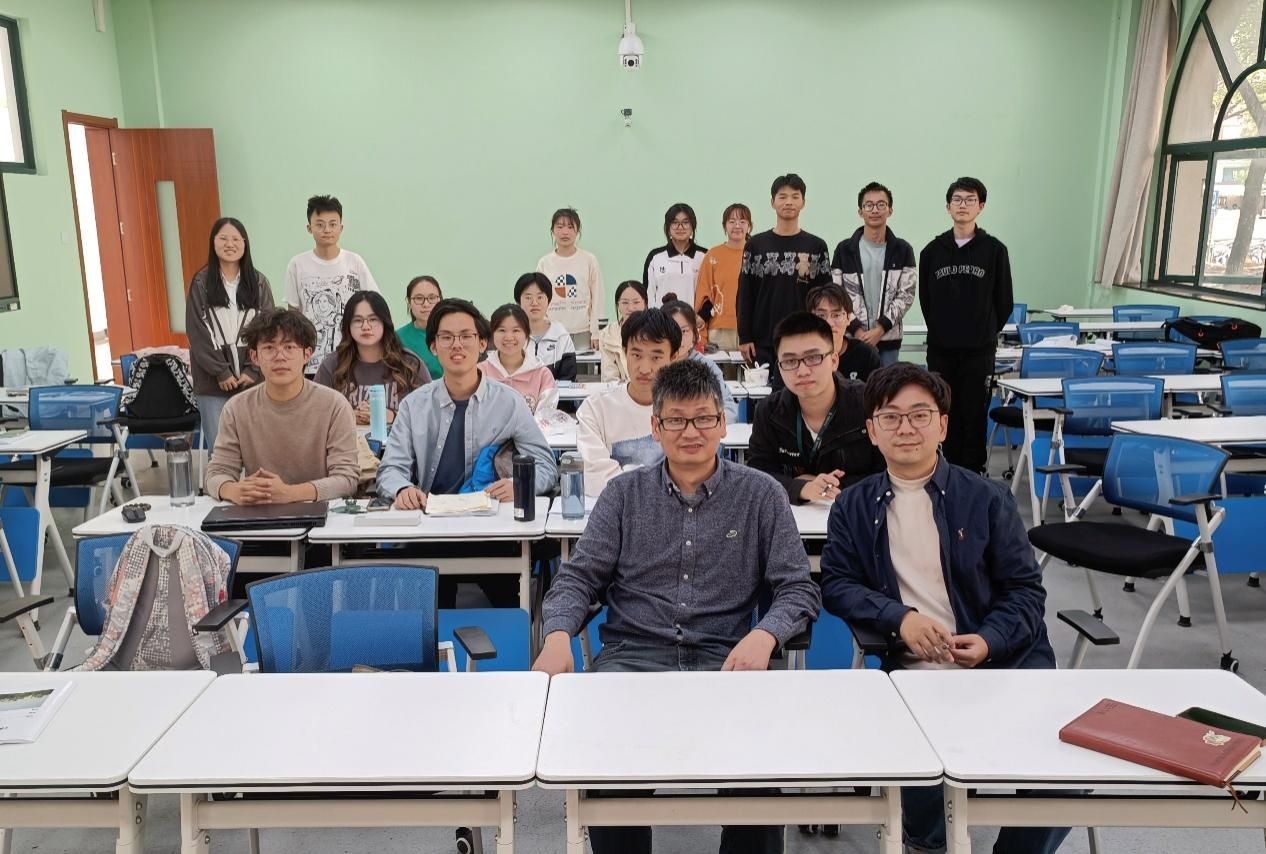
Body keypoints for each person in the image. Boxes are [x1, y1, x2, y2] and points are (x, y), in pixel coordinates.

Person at [532, 357, 821, 854]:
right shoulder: (624, 495)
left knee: (759, 776)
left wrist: (765, 634)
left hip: (726, 659)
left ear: (723, 423)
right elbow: (578, 578)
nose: (691, 432)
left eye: (704, 418)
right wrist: (557, 634)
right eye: (677, 420)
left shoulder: (760, 495)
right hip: (633, 659)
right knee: (608, 770)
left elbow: (798, 587)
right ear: (656, 427)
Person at [820, 362, 1066, 854]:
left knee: (1063, 781)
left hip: (1005, 664)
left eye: (920, 415)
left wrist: (990, 640)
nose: (905, 428)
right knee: (923, 793)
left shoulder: (988, 499)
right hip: (915, 672)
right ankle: (926, 842)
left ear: (943, 425)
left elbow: (1025, 592)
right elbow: (838, 584)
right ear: (871, 430)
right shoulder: (854, 506)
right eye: (890, 417)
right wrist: (901, 619)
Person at [378, 298, 557, 509]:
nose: (457, 345)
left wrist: (520, 484)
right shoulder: (413, 406)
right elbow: (391, 468)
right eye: (446, 337)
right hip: (430, 517)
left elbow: (546, 466)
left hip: (490, 518)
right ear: (433, 346)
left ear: (482, 343)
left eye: (466, 336)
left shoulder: (509, 403)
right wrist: (402, 489)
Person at [206, 308, 359, 505]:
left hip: (319, 512)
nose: (280, 357)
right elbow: (217, 473)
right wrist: (233, 490)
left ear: (307, 354)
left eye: (289, 347)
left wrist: (290, 493)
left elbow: (347, 479)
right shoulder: (236, 408)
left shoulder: (334, 406)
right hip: (260, 511)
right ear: (254, 357)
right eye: (269, 348)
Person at [919, 177, 1013, 474]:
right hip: (941, 350)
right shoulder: (931, 252)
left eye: (970, 199)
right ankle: (943, 471)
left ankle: (973, 475)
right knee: (943, 412)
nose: (963, 205)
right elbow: (926, 300)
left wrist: (982, 332)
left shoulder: (995, 250)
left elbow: (1004, 302)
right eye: (957, 199)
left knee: (974, 414)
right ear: (948, 207)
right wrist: (943, 330)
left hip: (979, 352)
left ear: (980, 206)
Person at [748, 312, 883, 504]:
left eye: (813, 358)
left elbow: (889, 471)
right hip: (794, 517)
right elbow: (757, 476)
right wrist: (801, 488)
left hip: (859, 510)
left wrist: (832, 486)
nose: (802, 371)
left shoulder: (867, 403)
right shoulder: (769, 412)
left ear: (834, 361)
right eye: (790, 361)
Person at [185, 216, 275, 453]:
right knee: (221, 450)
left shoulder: (259, 283)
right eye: (223, 238)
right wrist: (221, 371)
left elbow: (267, 329)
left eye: (236, 239)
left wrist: (253, 369)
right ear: (213, 243)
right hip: (212, 383)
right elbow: (197, 331)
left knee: (259, 448)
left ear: (245, 244)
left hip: (253, 381)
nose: (230, 244)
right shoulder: (201, 283)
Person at [736, 174, 832, 382]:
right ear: (772, 202)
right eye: (782, 197)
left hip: (804, 339)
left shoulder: (816, 246)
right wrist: (744, 336)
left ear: (803, 202)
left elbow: (825, 298)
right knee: (763, 398)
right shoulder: (755, 245)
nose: (789, 202)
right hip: (762, 341)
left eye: (795, 196)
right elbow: (745, 294)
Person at [575, 308, 679, 497]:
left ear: (673, 358)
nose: (645, 368)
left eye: (656, 357)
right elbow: (595, 479)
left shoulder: (686, 410)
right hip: (615, 510)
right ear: (624, 352)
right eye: (636, 355)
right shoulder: (595, 409)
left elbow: (689, 477)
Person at [284, 194, 379, 375]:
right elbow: (293, 315)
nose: (327, 230)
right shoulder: (297, 264)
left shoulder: (354, 262)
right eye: (320, 224)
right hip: (311, 361)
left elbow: (374, 305)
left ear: (341, 227)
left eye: (332, 224)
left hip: (353, 357)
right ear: (309, 228)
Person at [830, 182, 917, 367]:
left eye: (881, 204)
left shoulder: (902, 250)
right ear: (860, 211)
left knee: (887, 385)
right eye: (869, 205)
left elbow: (906, 295)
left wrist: (880, 329)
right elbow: (837, 294)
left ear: (890, 210)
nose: (875, 210)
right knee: (851, 385)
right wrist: (856, 330)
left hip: (888, 339)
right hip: (851, 338)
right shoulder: (845, 250)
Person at [314, 291, 429, 425]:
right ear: (348, 326)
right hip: (348, 438)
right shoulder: (332, 365)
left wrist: (392, 416)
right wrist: (347, 416)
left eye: (373, 319)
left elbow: (430, 413)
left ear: (384, 323)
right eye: (358, 320)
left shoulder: (410, 364)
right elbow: (315, 413)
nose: (366, 327)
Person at [536, 207, 604, 350]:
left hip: (583, 333)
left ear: (577, 231)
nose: (565, 232)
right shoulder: (544, 263)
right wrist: (543, 329)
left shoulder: (589, 260)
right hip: (552, 334)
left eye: (570, 227)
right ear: (552, 230)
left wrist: (596, 332)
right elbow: (539, 298)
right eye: (560, 227)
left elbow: (598, 297)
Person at [662, 299, 739, 423]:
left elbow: (729, 411)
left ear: (694, 334)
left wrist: (701, 424)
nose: (678, 338)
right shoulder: (655, 366)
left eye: (684, 331)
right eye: (671, 330)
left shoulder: (708, 367)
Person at [479, 303, 559, 414]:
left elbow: (545, 418)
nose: (509, 337)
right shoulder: (479, 373)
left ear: (526, 334)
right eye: (502, 330)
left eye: (516, 330)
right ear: (492, 334)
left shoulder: (543, 375)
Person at [694, 203, 751, 351]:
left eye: (742, 221)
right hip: (720, 329)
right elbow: (704, 294)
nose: (737, 226)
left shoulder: (756, 254)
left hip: (752, 329)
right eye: (732, 221)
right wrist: (702, 334)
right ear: (724, 226)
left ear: (749, 226)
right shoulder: (713, 255)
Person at [806, 283, 881, 382]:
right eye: (821, 316)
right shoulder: (800, 355)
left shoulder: (866, 355)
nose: (829, 323)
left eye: (836, 315)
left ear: (848, 318)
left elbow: (879, 390)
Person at [516, 272, 577, 381]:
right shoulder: (512, 336)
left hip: (555, 392)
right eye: (528, 297)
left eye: (540, 297)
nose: (534, 303)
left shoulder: (561, 336)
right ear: (518, 302)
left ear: (548, 300)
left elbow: (568, 379)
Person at [643, 202, 707, 308]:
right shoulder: (655, 257)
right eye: (674, 222)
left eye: (685, 222)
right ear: (668, 228)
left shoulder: (705, 256)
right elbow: (648, 294)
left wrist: (700, 315)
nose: (680, 227)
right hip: (662, 318)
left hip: (694, 318)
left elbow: (710, 294)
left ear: (693, 226)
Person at [597, 281, 647, 383]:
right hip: (619, 390)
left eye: (636, 302)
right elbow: (609, 377)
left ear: (645, 304)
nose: (631, 308)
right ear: (618, 305)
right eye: (625, 303)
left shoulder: (656, 331)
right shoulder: (608, 334)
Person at [397, 275, 445, 380]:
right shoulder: (398, 338)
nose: (426, 304)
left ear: (440, 300)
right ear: (409, 302)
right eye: (419, 298)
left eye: (432, 298)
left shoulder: (453, 332)